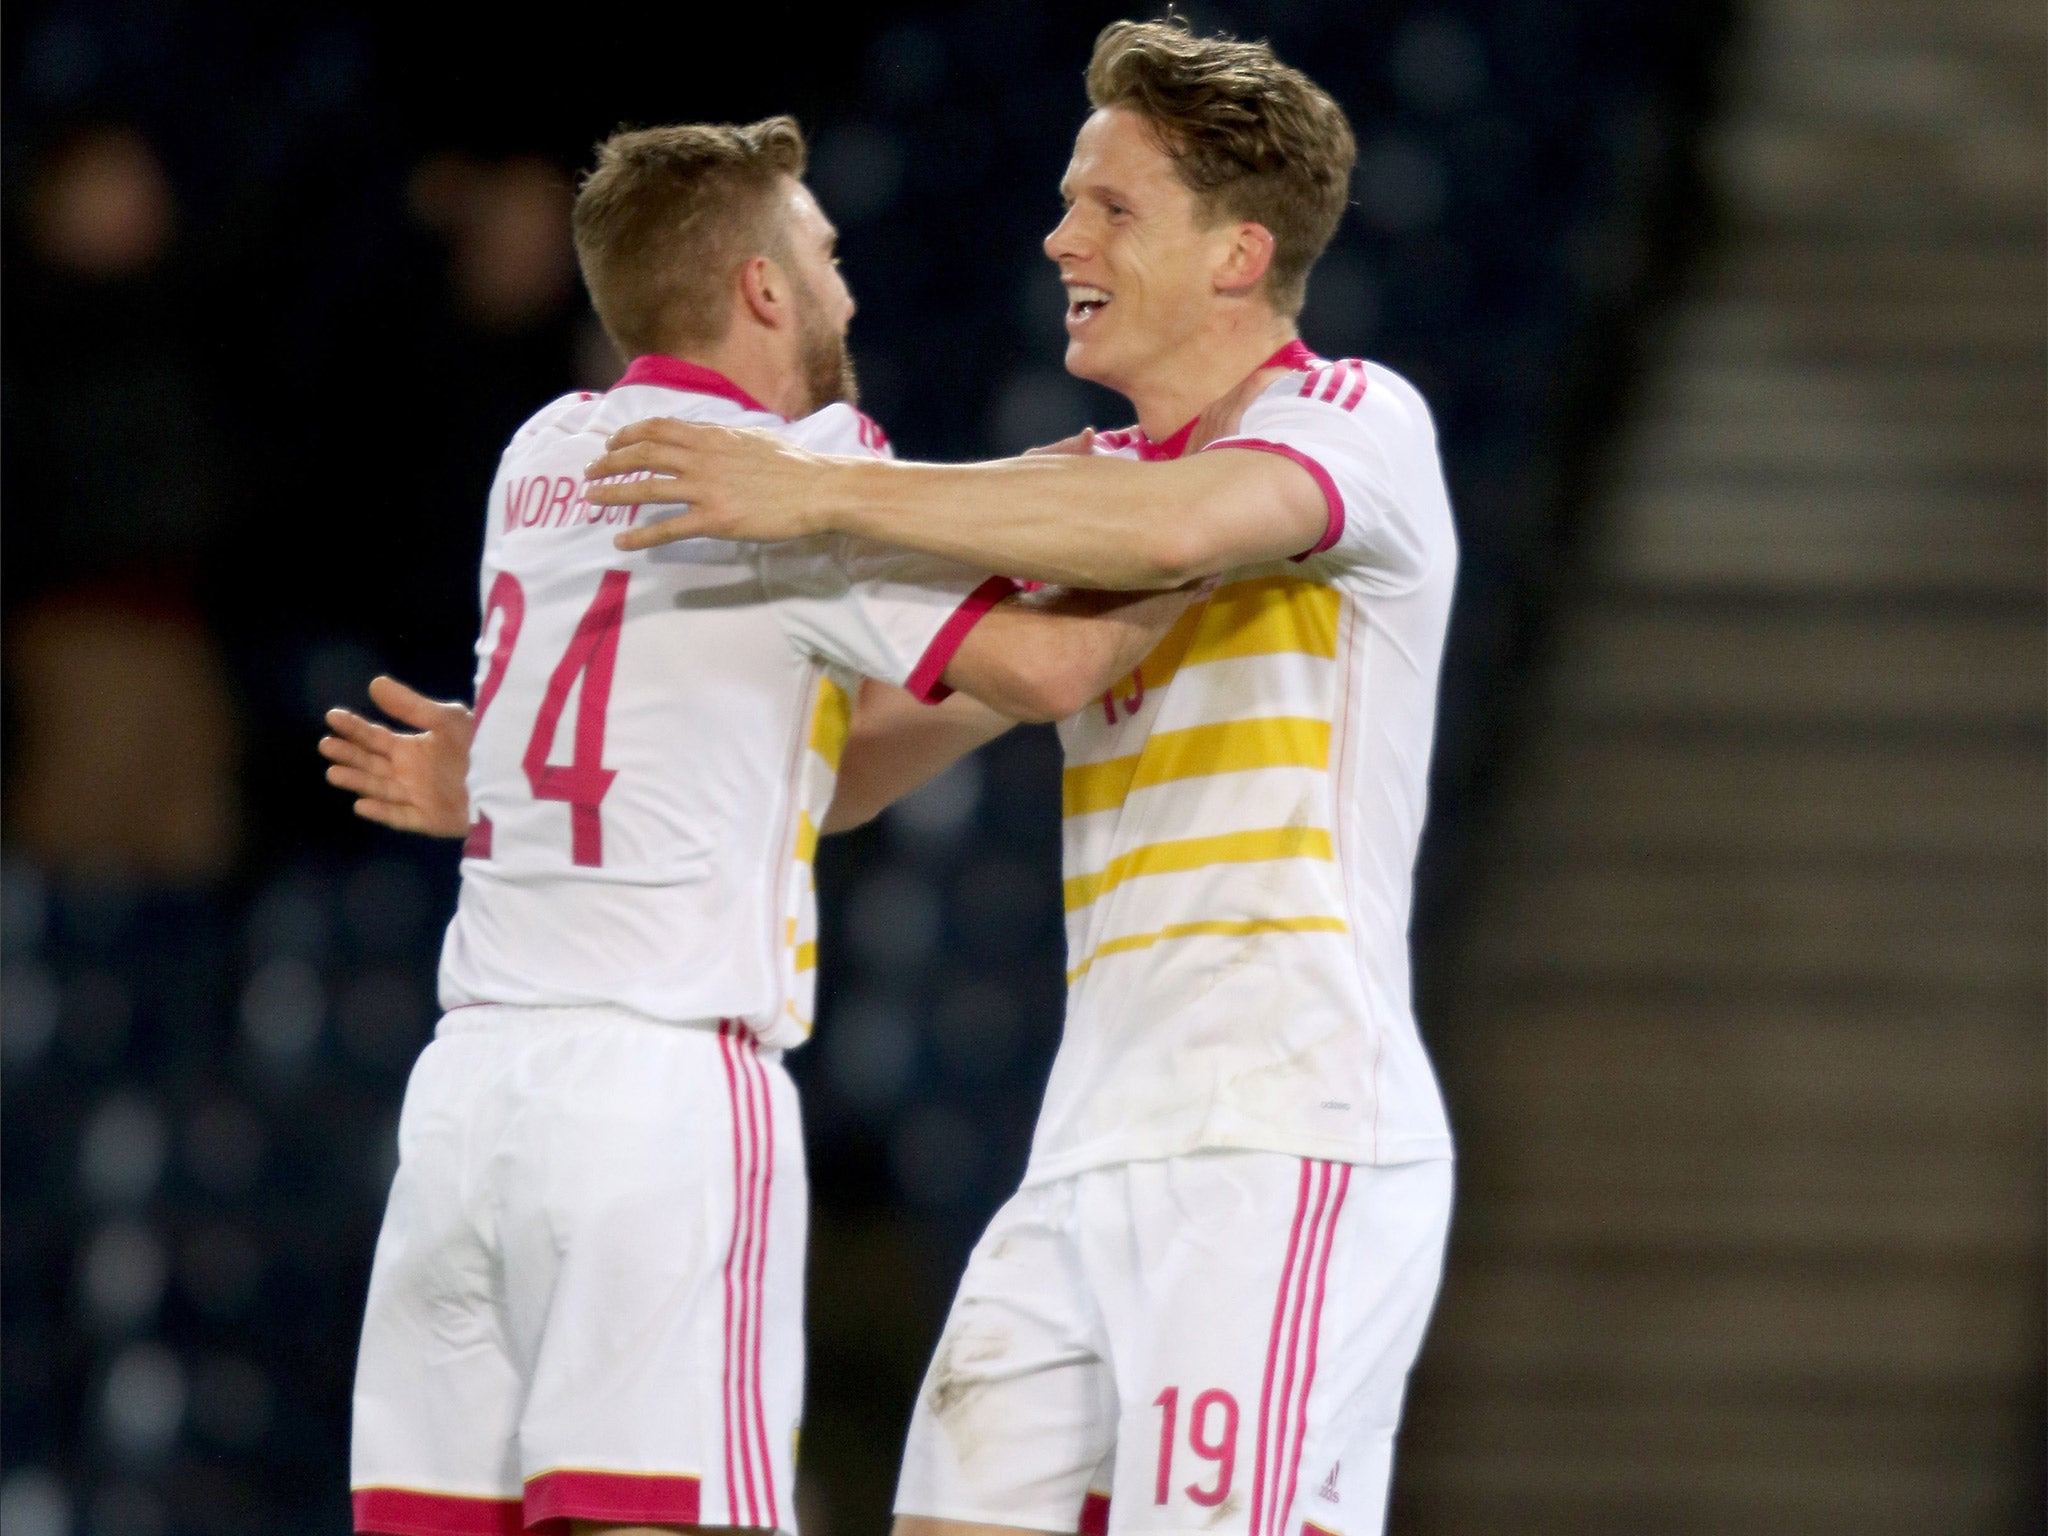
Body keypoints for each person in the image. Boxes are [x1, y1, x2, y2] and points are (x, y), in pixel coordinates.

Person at [580, 22, 1460, 1536]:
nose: (1062, 236)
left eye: (1113, 207)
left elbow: (1190, 528)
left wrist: (820, 489)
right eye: (1067, 199)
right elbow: (849, 772)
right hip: (1089, 1148)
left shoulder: (1354, 423)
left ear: (1242, 252)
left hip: (1280, 1135)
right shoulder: (1089, 491)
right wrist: (542, 765)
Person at [335, 116, 1196, 1536]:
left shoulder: (542, 455)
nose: (847, 290)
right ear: (762, 290)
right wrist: (1196, 538)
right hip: (660, 1090)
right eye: (826, 253)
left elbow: (811, 756)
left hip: (467, 1106)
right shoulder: (796, 471)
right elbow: (1054, 668)